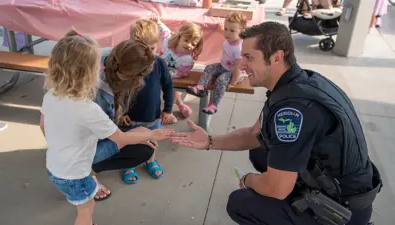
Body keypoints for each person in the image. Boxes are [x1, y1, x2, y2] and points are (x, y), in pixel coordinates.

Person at [171, 21, 381, 225]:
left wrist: (249, 180)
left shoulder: (292, 110)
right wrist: (209, 141)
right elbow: (255, 134)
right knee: (260, 150)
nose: (242, 64)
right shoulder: (299, 82)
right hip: (340, 189)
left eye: (249, 57)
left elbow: (276, 189)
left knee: (240, 203)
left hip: (341, 211)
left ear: (276, 57)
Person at [40, 31, 172, 225]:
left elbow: (42, 125)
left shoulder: (51, 95)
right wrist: (151, 133)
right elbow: (120, 139)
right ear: (90, 73)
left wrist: (63, 146)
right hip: (76, 173)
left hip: (54, 166)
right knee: (86, 211)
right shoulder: (89, 109)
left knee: (82, 205)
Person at [91, 39, 175, 199]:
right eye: (142, 76)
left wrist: (141, 133)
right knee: (143, 144)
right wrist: (147, 134)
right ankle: (86, 174)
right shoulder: (96, 98)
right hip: (79, 149)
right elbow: (118, 137)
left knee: (143, 142)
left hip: (81, 134)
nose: (142, 81)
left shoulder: (111, 55)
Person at [116, 18, 175, 184]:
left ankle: (150, 160)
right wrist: (120, 112)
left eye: (152, 48)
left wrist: (168, 109)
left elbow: (168, 87)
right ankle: (129, 164)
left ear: (157, 44)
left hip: (152, 115)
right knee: (129, 140)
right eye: (143, 49)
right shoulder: (126, 63)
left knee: (152, 139)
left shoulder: (160, 63)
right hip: (129, 116)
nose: (148, 54)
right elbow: (117, 89)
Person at [186, 12, 247, 115]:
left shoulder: (238, 49)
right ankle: (200, 87)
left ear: (242, 31)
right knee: (209, 67)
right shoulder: (230, 39)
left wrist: (232, 83)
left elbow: (238, 68)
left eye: (232, 30)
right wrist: (221, 28)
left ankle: (214, 105)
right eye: (226, 29)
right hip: (223, 66)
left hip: (233, 72)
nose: (227, 33)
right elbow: (225, 32)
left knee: (221, 80)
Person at [151, 16, 204, 120]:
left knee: (169, 86)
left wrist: (167, 74)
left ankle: (171, 109)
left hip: (173, 74)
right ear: (179, 37)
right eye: (186, 40)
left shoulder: (187, 59)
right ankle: (172, 106)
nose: (189, 45)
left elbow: (181, 73)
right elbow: (165, 31)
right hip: (158, 67)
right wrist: (158, 22)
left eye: (193, 44)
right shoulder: (169, 42)